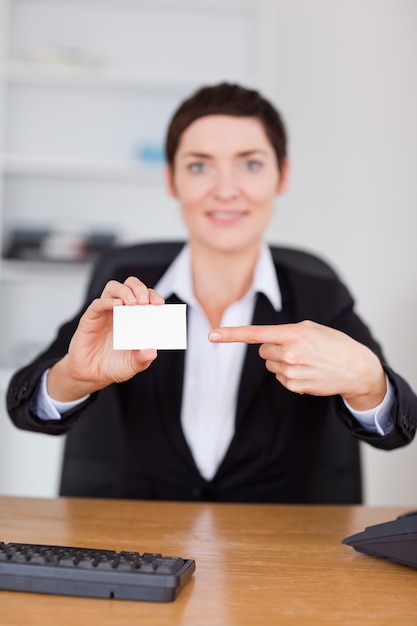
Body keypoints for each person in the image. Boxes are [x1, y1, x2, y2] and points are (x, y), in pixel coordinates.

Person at [7, 82, 417, 503]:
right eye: (200, 166)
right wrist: (74, 376)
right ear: (172, 180)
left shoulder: (317, 293)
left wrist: (367, 383)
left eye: (250, 164)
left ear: (282, 175)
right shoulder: (130, 288)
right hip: (144, 544)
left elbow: (398, 429)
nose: (225, 189)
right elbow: (25, 405)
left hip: (274, 551)